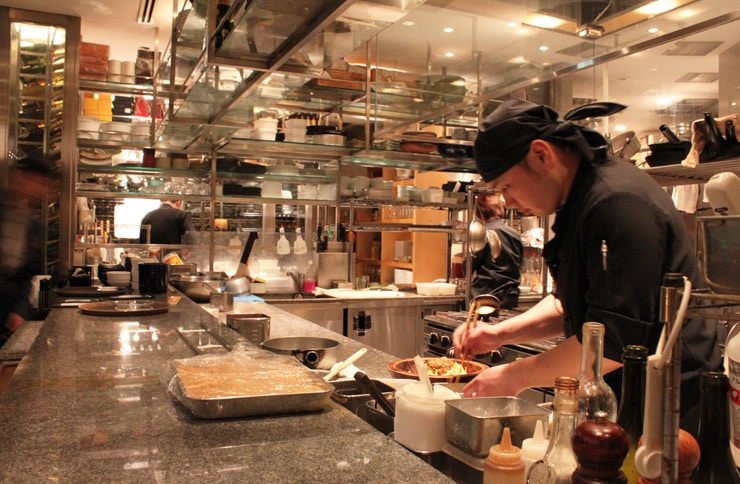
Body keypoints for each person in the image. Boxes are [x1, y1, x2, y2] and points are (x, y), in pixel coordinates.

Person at [453, 98, 722, 436]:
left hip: (671, 406)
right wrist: (500, 333)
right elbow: (572, 303)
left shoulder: (616, 202)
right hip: (624, 394)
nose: (508, 202)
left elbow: (613, 341)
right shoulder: (579, 200)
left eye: (507, 186)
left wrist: (512, 376)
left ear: (542, 155)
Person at [1, 152, 52, 346]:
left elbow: (25, 277)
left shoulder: (35, 225)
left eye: (44, 185)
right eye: (35, 182)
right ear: (21, 178)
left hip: (7, 313)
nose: (39, 190)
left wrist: (19, 311)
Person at [469, 191, 522, 309]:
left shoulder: (483, 232)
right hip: (510, 295)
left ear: (479, 211)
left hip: (486, 295)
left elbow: (468, 266)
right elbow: (519, 264)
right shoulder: (514, 233)